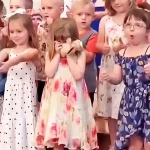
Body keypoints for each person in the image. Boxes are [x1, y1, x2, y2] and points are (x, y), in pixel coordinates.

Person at [34, 18, 98, 150]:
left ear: (73, 39)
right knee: (57, 134)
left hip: (72, 101)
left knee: (74, 134)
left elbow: (78, 74)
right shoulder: (50, 54)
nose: (61, 43)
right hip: (56, 101)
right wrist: (57, 54)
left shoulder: (80, 54)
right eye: (58, 40)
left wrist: (69, 54)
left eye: (65, 40)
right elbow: (49, 72)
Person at [100, 8, 150, 150]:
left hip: (148, 99)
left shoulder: (149, 50)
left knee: (148, 142)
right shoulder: (122, 53)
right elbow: (117, 78)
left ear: (147, 31)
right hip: (131, 101)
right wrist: (109, 77)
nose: (131, 29)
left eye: (138, 25)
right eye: (128, 25)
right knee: (134, 140)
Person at [96, 0, 136, 149]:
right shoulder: (105, 20)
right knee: (110, 107)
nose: (117, 2)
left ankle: (130, 142)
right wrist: (104, 47)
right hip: (110, 65)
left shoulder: (135, 18)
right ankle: (113, 142)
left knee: (126, 105)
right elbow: (99, 44)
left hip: (129, 64)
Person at [0, 13, 39, 150]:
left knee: (26, 120)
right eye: (12, 32)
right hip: (11, 96)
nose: (15, 35)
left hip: (26, 96)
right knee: (10, 120)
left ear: (29, 31)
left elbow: (25, 56)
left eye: (19, 31)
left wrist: (11, 62)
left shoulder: (32, 51)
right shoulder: (7, 51)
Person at [36, 0, 64, 109]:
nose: (45, 11)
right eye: (43, 8)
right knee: (41, 97)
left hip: (57, 67)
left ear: (61, 10)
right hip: (42, 68)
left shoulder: (63, 25)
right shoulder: (41, 26)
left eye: (49, 8)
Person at [72, 0, 98, 105]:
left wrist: (77, 47)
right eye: (79, 14)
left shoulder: (94, 35)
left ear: (93, 17)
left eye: (87, 14)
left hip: (87, 80)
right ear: (72, 16)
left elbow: (89, 57)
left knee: (85, 111)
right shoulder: (67, 33)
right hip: (70, 80)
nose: (83, 17)